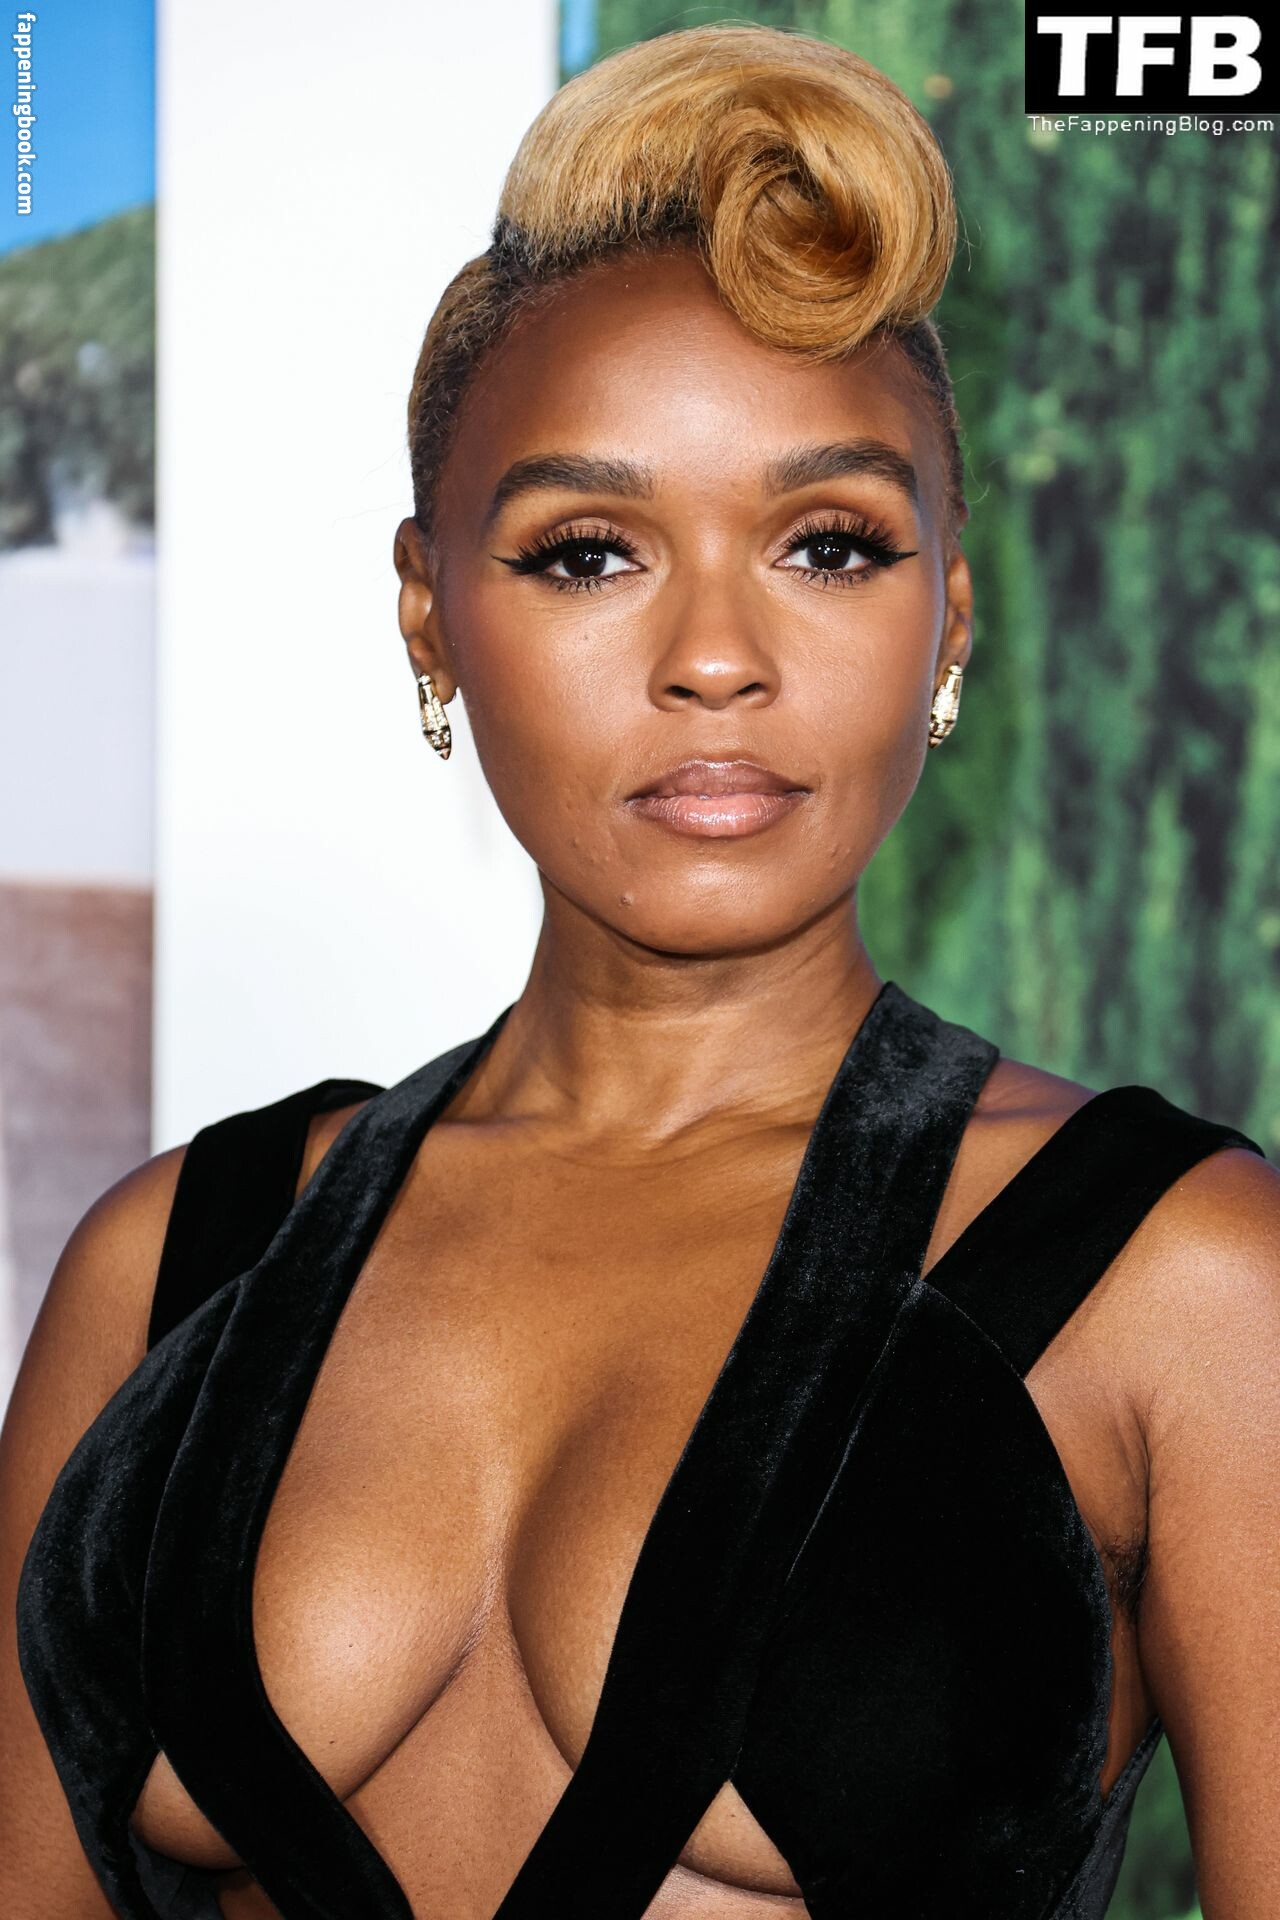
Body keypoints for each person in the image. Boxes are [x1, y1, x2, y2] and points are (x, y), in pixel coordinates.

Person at [3, 22, 1278, 1920]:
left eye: (827, 544)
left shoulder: (1182, 1282)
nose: (714, 657)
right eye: (590, 553)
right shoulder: (169, 1266)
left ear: (951, 610)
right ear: (430, 612)